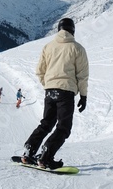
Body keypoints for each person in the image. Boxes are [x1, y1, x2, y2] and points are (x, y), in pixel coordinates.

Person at [21, 18, 89, 169]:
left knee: (46, 123)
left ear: (59, 29)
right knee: (64, 127)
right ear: (72, 30)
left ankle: (28, 152)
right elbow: (82, 75)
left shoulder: (48, 46)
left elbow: (40, 71)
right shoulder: (77, 48)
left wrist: (49, 85)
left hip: (50, 91)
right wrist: (83, 96)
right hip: (66, 92)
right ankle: (46, 156)